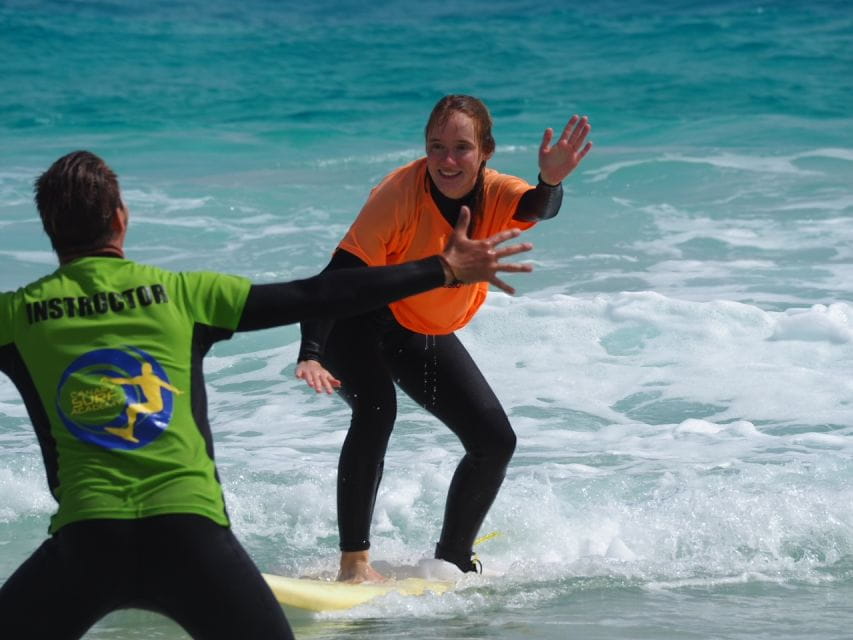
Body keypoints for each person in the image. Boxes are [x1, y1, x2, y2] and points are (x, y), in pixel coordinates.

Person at [0, 150, 533, 640]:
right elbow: (319, 292)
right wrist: (441, 268)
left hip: (87, 543)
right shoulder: (184, 296)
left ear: (49, 229)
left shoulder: (16, 317)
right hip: (191, 539)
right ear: (122, 218)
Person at [295, 94, 593, 582]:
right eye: (437, 147)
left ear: (485, 152)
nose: (447, 160)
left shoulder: (494, 192)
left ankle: (453, 558)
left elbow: (538, 207)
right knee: (375, 411)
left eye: (461, 147)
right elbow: (336, 278)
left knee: (494, 440)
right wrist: (310, 352)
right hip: (356, 320)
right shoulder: (397, 195)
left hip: (415, 328)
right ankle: (354, 565)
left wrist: (552, 180)